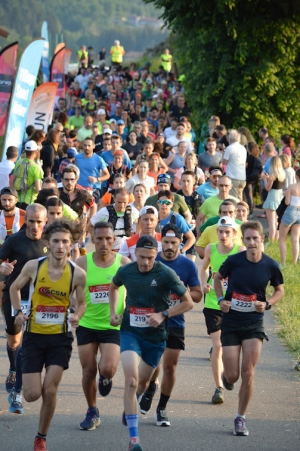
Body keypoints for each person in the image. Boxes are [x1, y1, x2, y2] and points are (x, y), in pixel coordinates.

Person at [109, 235, 193, 451]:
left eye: (150, 258)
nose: (146, 262)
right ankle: (134, 439)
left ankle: (132, 405)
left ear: (156, 255)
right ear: (135, 253)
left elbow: (188, 303)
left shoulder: (165, 273)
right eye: (142, 257)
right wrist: (113, 312)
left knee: (143, 384)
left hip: (156, 338)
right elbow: (113, 286)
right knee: (131, 380)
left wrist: (164, 314)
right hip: (130, 333)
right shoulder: (126, 270)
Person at [10, 219, 86, 451]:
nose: (61, 246)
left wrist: (77, 316)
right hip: (33, 336)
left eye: (65, 241)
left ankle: (40, 438)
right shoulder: (34, 266)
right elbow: (14, 287)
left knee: (50, 390)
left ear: (71, 243)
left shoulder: (78, 274)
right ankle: (23, 384)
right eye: (56, 241)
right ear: (48, 243)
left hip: (60, 339)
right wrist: (19, 313)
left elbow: (82, 303)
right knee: (33, 394)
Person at [213, 220, 284, 436]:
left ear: (262, 239)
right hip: (232, 321)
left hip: (254, 322)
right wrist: (220, 300)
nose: (252, 242)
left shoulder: (271, 265)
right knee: (234, 376)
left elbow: (279, 290)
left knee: (248, 372)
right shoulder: (234, 261)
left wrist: (268, 303)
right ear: (242, 241)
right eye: (248, 239)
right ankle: (226, 377)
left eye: (255, 238)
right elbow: (217, 278)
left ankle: (240, 418)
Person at [138, 224, 201, 426]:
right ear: (160, 242)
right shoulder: (151, 260)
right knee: (153, 362)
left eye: (174, 243)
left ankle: (162, 408)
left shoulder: (188, 265)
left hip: (175, 320)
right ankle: (150, 388)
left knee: (170, 367)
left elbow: (198, 296)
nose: (169, 246)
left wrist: (181, 292)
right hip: (151, 319)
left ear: (180, 243)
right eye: (166, 242)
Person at [75, 222, 130, 430]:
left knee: (107, 368)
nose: (104, 243)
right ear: (92, 240)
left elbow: (133, 292)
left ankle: (105, 378)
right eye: (99, 239)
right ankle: (92, 410)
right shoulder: (82, 262)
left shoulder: (123, 263)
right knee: (88, 371)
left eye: (108, 239)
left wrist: (124, 313)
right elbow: (72, 289)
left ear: (114, 240)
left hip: (112, 325)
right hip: (87, 323)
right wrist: (74, 310)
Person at [0, 204, 48, 415]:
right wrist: (1, 267)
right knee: (14, 340)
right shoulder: (14, 240)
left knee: (27, 343)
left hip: (39, 300)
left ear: (45, 222)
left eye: (39, 222)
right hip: (14, 295)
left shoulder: (51, 241)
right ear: (25, 220)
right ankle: (13, 367)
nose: (35, 226)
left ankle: (17, 392)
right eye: (31, 221)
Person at [200, 217, 244, 404]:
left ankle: (227, 373)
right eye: (220, 231)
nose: (223, 235)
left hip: (234, 305)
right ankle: (218, 388)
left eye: (228, 232)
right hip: (213, 304)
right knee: (217, 346)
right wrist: (203, 283)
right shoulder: (210, 248)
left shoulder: (240, 251)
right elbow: (204, 268)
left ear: (234, 234)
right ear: (216, 232)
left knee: (229, 346)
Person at [176, 171, 204, 261]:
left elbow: (203, 218)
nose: (186, 183)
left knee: (189, 261)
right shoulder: (176, 197)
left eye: (188, 181)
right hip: (178, 233)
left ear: (194, 182)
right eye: (183, 181)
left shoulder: (199, 198)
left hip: (193, 234)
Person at [75, 137, 109, 205]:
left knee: (91, 210)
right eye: (85, 145)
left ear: (93, 146)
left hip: (94, 189)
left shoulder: (99, 159)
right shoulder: (77, 157)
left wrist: (97, 179)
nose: (86, 147)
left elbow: (107, 175)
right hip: (79, 189)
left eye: (89, 145)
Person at [261, 156, 285, 241]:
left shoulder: (272, 175)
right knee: (276, 222)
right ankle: (276, 239)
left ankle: (271, 241)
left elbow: (268, 188)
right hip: (280, 196)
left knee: (271, 223)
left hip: (272, 196)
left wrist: (264, 178)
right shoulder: (282, 174)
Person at [279, 168, 300, 265]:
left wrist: (287, 193)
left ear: (296, 176)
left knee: (282, 239)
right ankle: (294, 263)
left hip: (291, 211)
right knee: (295, 240)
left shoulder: (292, 186)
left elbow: (287, 202)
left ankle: (283, 263)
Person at [13, 141, 43, 208]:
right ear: (35, 152)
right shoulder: (36, 167)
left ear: (25, 151)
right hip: (29, 202)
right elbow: (38, 189)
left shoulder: (18, 163)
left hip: (16, 201)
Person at [222, 130, 247, 201]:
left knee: (233, 199)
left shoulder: (229, 148)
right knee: (240, 198)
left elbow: (224, 162)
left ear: (229, 139)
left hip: (233, 176)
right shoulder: (243, 148)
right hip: (242, 177)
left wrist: (223, 154)